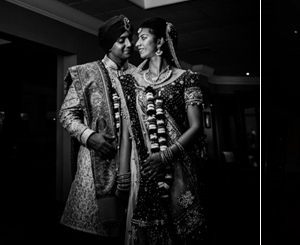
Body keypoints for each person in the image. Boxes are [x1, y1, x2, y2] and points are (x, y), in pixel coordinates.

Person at [117, 17, 207, 245]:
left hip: (178, 166)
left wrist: (166, 156)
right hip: (144, 167)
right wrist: (124, 173)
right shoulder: (131, 82)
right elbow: (128, 131)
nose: (137, 43)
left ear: (160, 43)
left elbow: (196, 127)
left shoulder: (187, 78)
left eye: (143, 37)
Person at [59, 15, 136, 242]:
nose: (129, 44)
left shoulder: (138, 75)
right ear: (109, 45)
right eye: (122, 40)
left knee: (130, 230)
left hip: (133, 163)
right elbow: (66, 114)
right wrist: (88, 136)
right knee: (94, 233)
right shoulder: (86, 73)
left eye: (129, 38)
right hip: (95, 162)